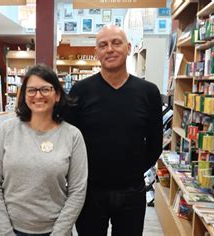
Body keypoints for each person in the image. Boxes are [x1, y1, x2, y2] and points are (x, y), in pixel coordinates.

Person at [66, 25, 163, 235]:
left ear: (128, 48)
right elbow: (68, 140)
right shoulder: (80, 91)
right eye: (103, 45)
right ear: (96, 53)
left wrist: (133, 170)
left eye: (116, 43)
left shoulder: (148, 92)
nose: (109, 49)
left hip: (132, 191)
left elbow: (155, 143)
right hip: (89, 191)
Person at [0, 64, 88, 236]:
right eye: (31, 90)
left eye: (45, 89)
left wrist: (59, 233)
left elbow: (77, 191)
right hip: (9, 230)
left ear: (57, 95)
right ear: (24, 95)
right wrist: (5, 232)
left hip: (55, 231)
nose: (38, 95)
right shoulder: (7, 130)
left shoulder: (72, 136)